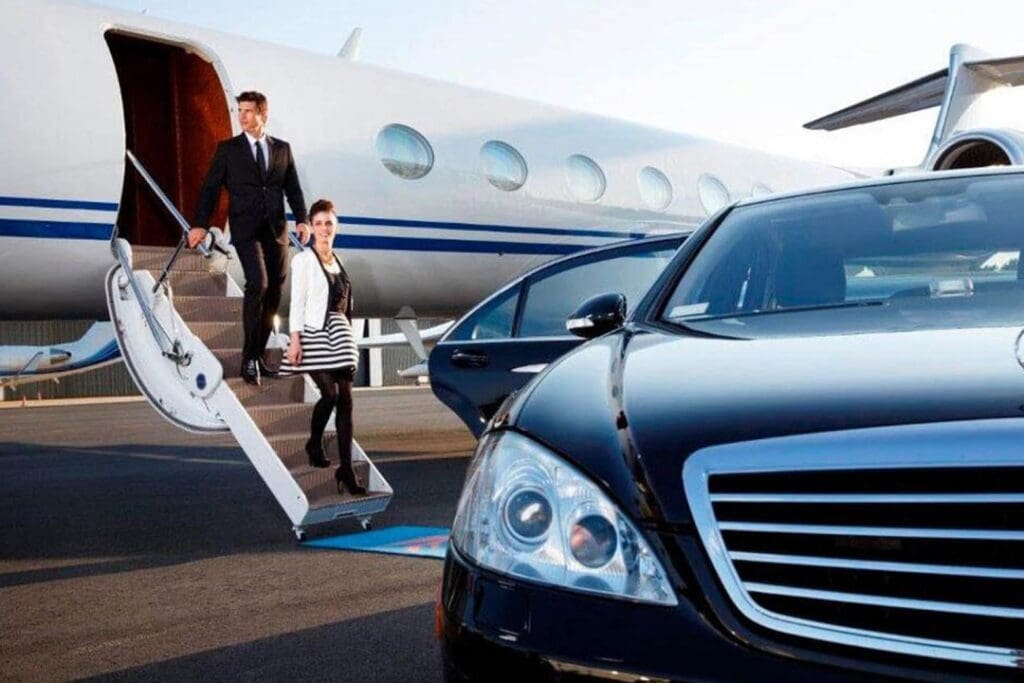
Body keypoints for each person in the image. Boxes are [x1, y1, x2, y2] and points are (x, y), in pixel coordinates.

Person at [188, 90, 310, 386]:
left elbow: (292, 188)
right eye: (239, 110)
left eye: (248, 111)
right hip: (245, 229)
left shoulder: (282, 149)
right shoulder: (228, 150)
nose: (242, 116)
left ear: (262, 115)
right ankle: (248, 358)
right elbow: (210, 189)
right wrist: (200, 224)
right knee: (259, 282)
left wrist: (302, 219)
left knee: (275, 290)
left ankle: (258, 353)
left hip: (276, 229)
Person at [280, 199, 366, 496]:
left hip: (340, 333)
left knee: (346, 402)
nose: (324, 229)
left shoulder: (339, 260)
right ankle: (314, 441)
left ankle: (347, 470)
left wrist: (350, 336)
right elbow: (298, 302)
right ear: (311, 228)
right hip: (315, 332)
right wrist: (295, 339)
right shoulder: (303, 260)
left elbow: (347, 304)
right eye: (318, 223)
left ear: (336, 226)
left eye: (329, 223)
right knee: (329, 394)